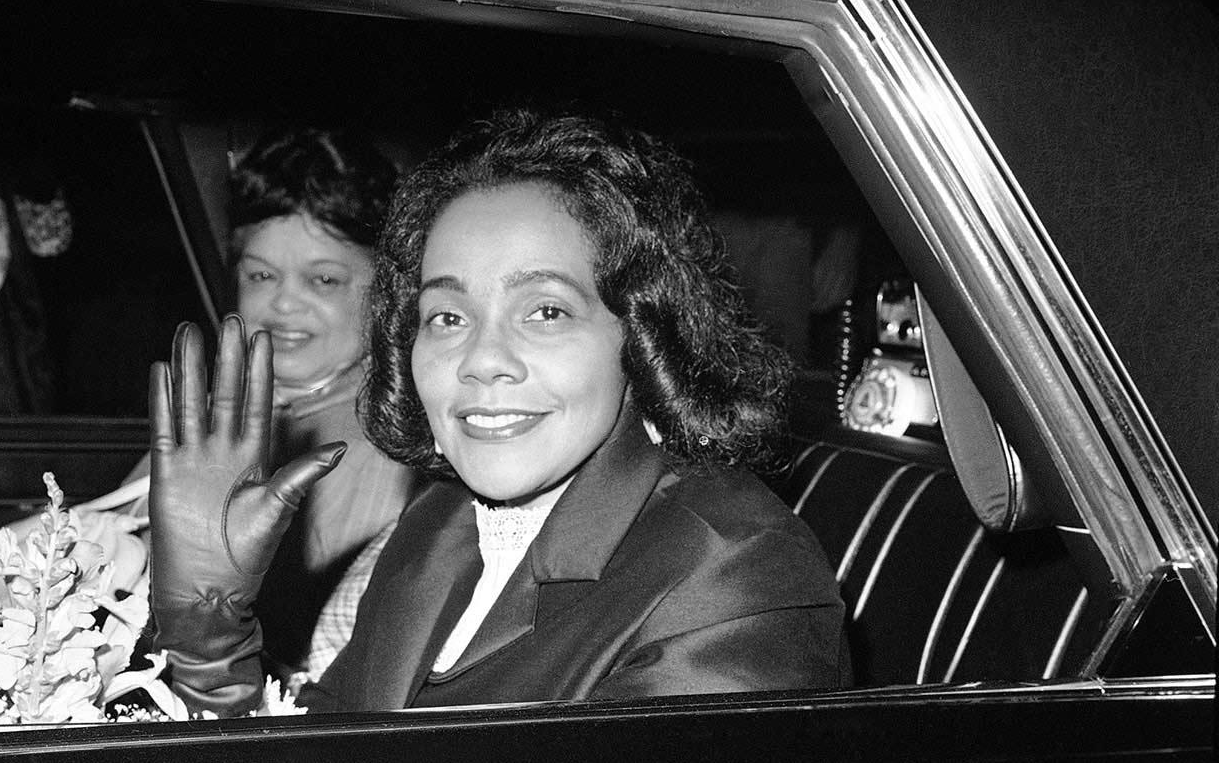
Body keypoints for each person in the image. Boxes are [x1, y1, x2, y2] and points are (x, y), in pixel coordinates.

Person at [146, 110, 849, 717]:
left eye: (545, 311)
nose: (483, 359)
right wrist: (209, 638)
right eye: (447, 316)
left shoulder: (734, 574)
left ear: (639, 335)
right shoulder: (440, 528)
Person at [124, 126, 416, 674]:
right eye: (261, 274)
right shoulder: (221, 419)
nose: (283, 303)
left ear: (385, 293)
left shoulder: (376, 451)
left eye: (324, 280)